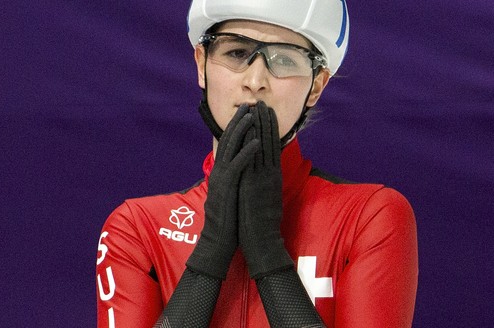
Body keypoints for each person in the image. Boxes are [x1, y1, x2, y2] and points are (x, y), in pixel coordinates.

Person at [96, 0, 418, 327]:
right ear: (201, 63)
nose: (255, 80)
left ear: (316, 86)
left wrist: (267, 254)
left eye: (284, 59)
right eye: (236, 52)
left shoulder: (370, 216)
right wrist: (209, 255)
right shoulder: (136, 228)